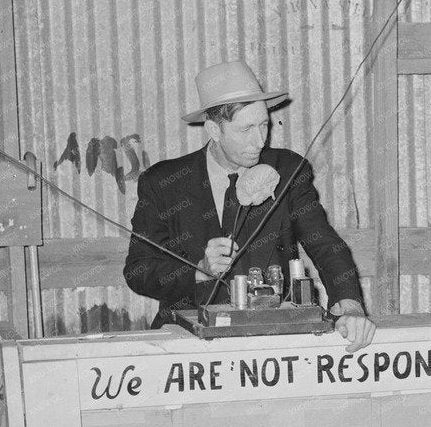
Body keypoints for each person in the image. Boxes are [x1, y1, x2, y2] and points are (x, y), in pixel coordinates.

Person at [124, 58, 375, 350]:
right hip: (190, 344)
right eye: (246, 130)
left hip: (276, 339)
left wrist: (351, 307)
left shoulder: (288, 170)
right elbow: (138, 271)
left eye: (264, 125)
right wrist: (198, 269)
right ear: (214, 131)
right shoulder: (164, 182)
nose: (259, 141)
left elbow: (325, 243)